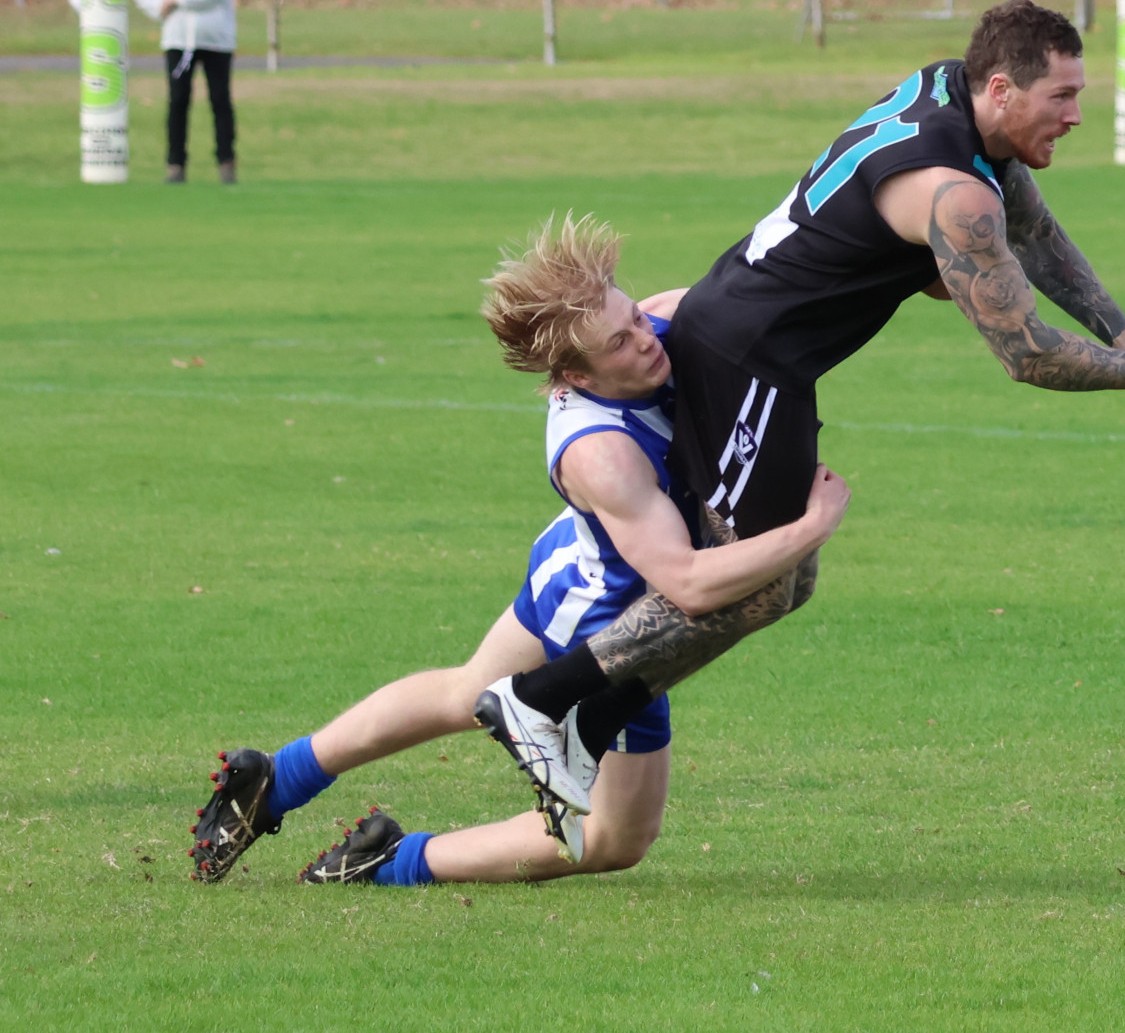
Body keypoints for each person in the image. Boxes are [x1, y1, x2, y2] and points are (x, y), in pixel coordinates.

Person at [474, 0, 1125, 818]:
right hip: (748, 361)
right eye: (1064, 96)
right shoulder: (953, 194)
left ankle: (588, 721)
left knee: (788, 585)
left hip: (767, 356)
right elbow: (1028, 355)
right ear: (1003, 89)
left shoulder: (946, 93)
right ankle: (541, 700)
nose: (1077, 114)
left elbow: (1034, 232)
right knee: (750, 582)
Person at [189, 216, 849, 885]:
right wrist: (809, 529)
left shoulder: (658, 325)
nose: (645, 341)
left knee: (464, 691)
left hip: (575, 564)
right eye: (619, 344)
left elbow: (762, 296)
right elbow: (687, 584)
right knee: (614, 839)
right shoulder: (601, 453)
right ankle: (389, 863)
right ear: (575, 373)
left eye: (634, 319)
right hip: (613, 619)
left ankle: (277, 778)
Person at [130, 0, 242, 185]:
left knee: (220, 100)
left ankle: (226, 163)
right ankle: (175, 165)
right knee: (178, 100)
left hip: (215, 37)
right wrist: (159, 5)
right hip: (178, 38)